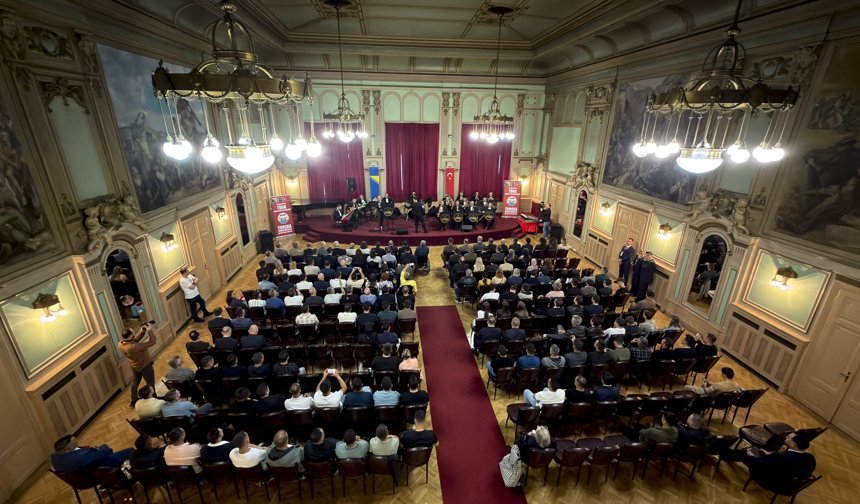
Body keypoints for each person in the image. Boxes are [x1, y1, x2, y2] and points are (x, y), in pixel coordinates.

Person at [741, 432, 816, 493]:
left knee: (744, 454)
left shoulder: (781, 457)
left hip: (771, 483)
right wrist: (771, 455)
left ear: (793, 444)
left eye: (788, 437)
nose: (786, 436)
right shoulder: (810, 458)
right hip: (790, 486)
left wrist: (751, 456)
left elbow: (759, 463)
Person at [119, 321, 157, 406]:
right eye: (133, 333)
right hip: (144, 366)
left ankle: (134, 399)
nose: (134, 333)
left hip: (134, 366)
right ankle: (154, 400)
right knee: (150, 384)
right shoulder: (133, 347)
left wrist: (142, 330)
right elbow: (152, 342)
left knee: (135, 382)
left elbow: (134, 340)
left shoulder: (121, 344)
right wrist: (150, 330)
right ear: (130, 336)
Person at [51, 435, 133, 473]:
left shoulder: (55, 460)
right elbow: (103, 455)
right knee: (131, 450)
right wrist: (100, 449)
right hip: (102, 469)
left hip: (83, 476)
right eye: (74, 442)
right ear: (70, 447)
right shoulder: (81, 458)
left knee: (103, 447)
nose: (76, 442)